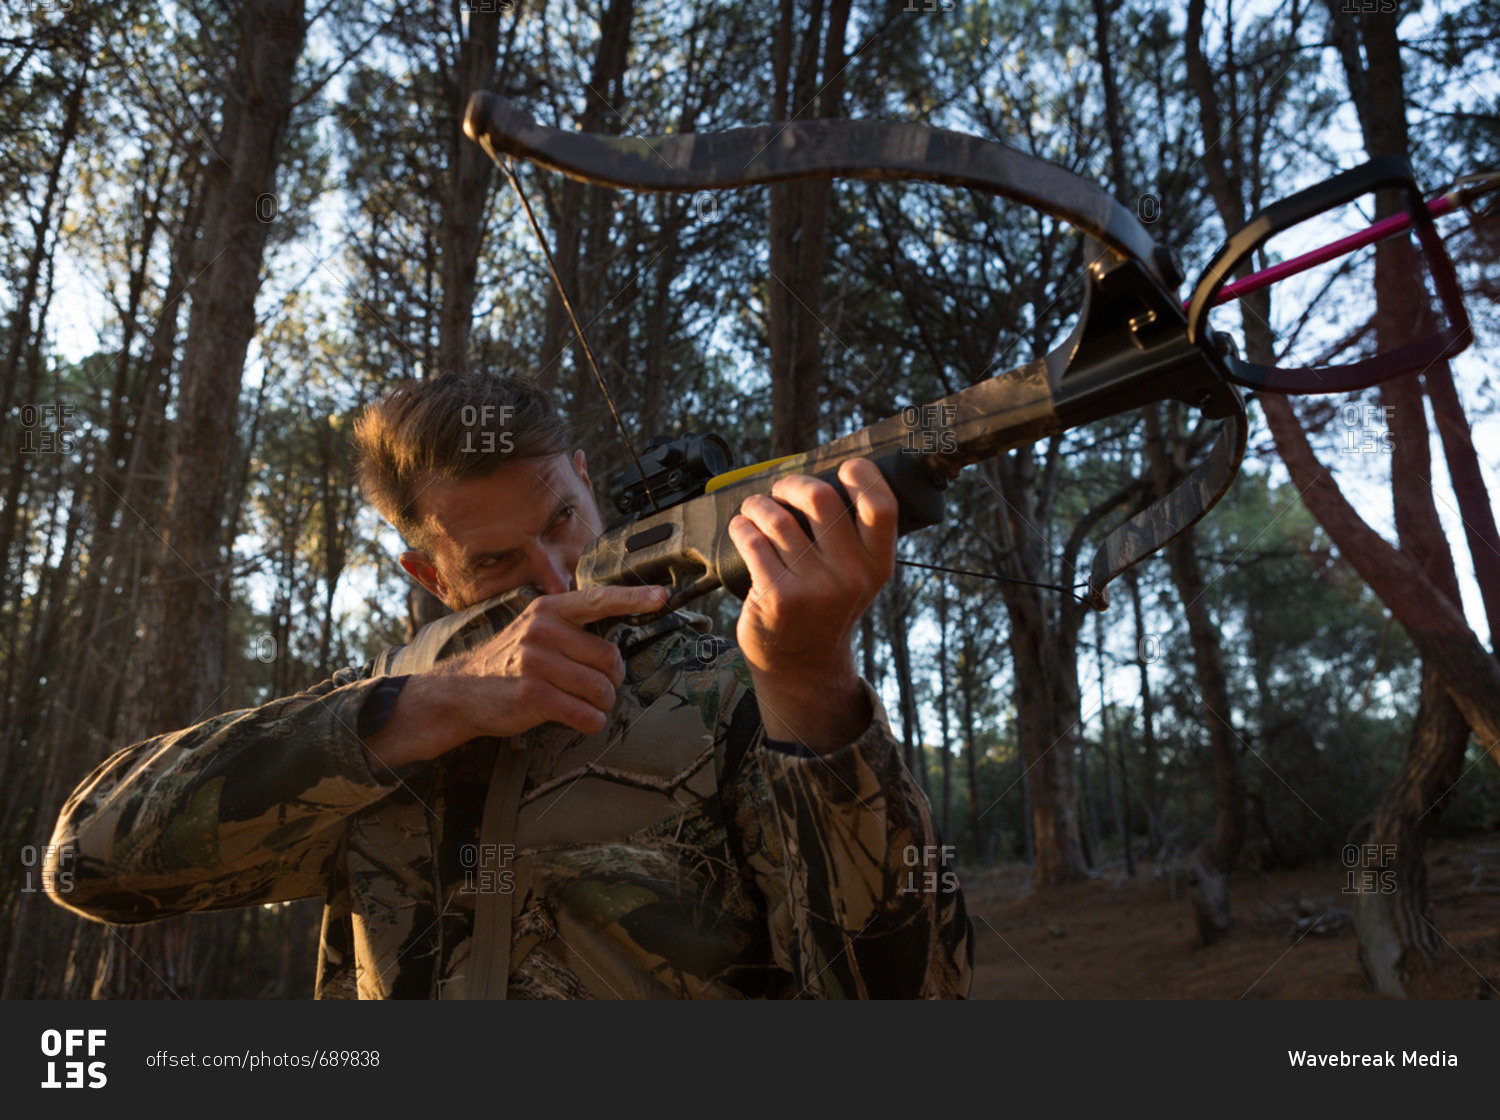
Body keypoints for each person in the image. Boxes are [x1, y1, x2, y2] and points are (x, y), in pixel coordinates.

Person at [45, 372, 973, 999]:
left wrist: (811, 685)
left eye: (564, 517)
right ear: (429, 578)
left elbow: (913, 999)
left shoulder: (735, 688)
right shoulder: (378, 718)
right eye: (498, 562)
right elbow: (88, 860)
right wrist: (428, 709)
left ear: (585, 479)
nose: (559, 574)